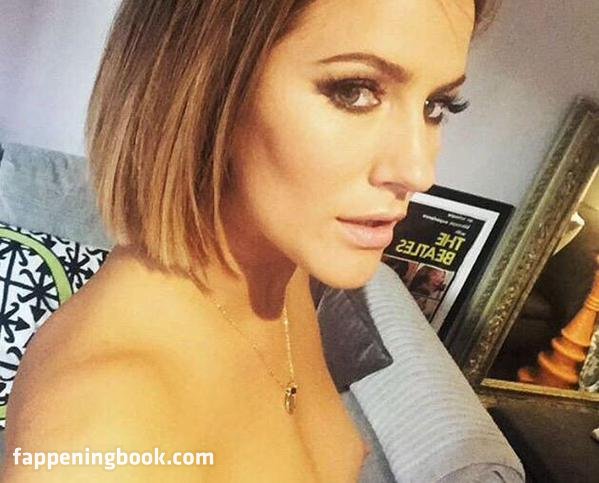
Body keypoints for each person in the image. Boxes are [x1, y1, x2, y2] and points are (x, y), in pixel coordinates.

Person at [2, 0, 495, 481]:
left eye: (436, 106)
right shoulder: (99, 439)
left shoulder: (281, 271)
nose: (418, 172)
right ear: (202, 83)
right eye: (354, 91)